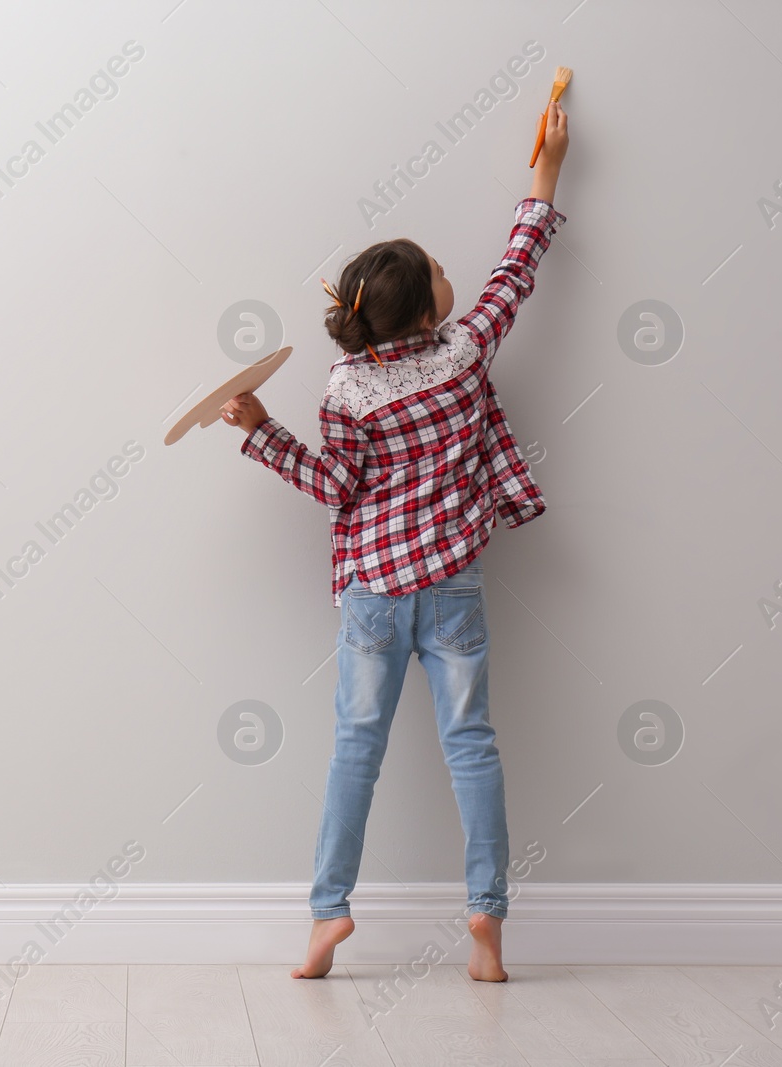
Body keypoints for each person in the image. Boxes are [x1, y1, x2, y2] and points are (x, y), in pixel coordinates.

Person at [220, 102, 571, 983]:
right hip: (451, 584)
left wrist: (262, 428)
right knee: (473, 745)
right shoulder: (464, 354)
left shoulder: (344, 387)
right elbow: (517, 271)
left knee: (354, 750)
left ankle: (328, 916)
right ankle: (487, 917)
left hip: (374, 592)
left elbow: (335, 488)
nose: (454, 276)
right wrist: (547, 174)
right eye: (440, 272)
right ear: (424, 307)